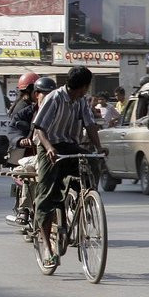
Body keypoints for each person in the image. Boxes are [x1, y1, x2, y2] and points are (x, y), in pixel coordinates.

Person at [31, 66, 107, 264]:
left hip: (70, 145)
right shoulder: (55, 98)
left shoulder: (81, 101)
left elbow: (90, 125)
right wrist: (48, 148)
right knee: (46, 197)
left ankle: (87, 197)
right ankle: (49, 250)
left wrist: (98, 148)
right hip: (50, 146)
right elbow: (39, 129)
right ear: (83, 86)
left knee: (92, 162)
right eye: (87, 86)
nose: (87, 90)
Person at [5, 76, 57, 226]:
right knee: (30, 172)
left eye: (51, 94)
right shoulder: (26, 111)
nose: (48, 98)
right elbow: (13, 129)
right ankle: (25, 210)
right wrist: (21, 140)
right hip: (34, 154)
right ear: (36, 94)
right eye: (44, 94)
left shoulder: (61, 109)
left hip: (58, 154)